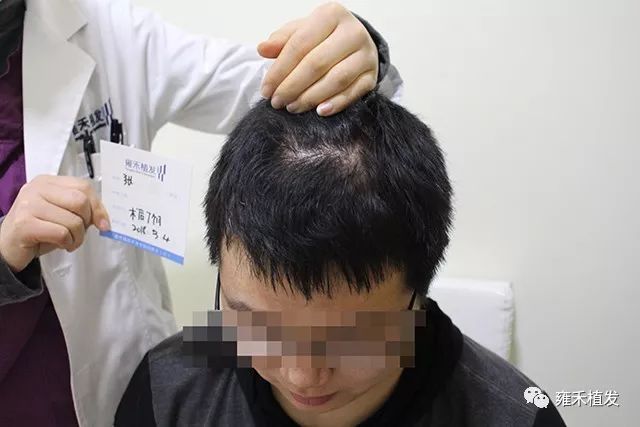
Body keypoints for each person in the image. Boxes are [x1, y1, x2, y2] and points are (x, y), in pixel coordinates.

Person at [0, 0, 402, 425]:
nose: (304, 375)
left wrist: (349, 56)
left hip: (118, 392)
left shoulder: (104, 29)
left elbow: (271, 87)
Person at [114, 93, 566, 426]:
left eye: (351, 338)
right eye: (257, 326)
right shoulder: (167, 391)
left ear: (418, 297)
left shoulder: (516, 416)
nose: (302, 376)